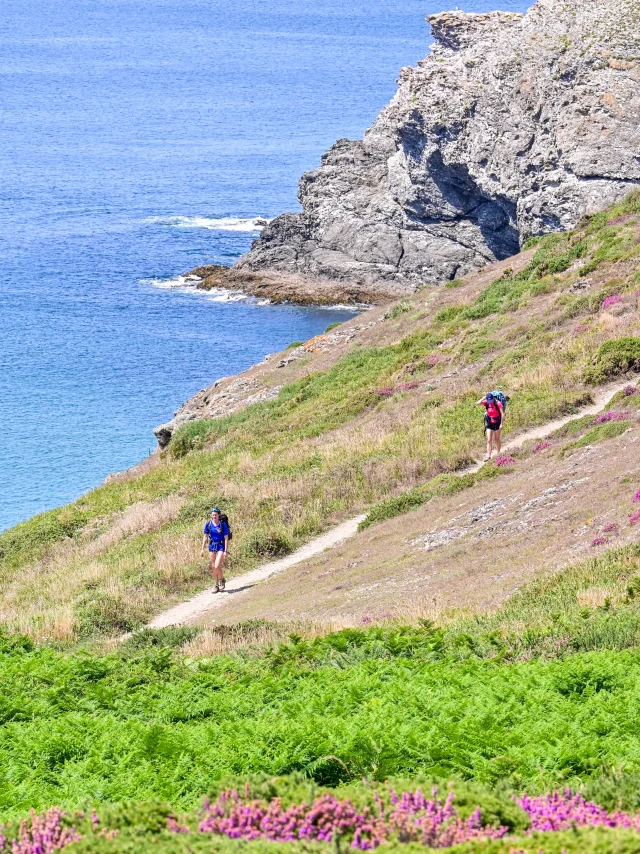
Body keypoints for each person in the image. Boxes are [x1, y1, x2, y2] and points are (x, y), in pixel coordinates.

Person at [200, 507, 229, 592]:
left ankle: (222, 579)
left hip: (220, 546)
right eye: (213, 515)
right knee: (213, 567)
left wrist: (225, 551)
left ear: (218, 515)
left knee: (217, 565)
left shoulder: (222, 524)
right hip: (212, 546)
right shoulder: (208, 524)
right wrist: (202, 549)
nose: (214, 516)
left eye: (215, 515)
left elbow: (226, 538)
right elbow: (205, 537)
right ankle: (216, 585)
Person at [476, 392, 504, 461]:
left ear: (493, 398)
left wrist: (501, 424)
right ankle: (488, 456)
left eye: (491, 400)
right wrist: (484, 397)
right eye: (489, 401)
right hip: (489, 423)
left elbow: (502, 414)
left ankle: (498, 454)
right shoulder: (487, 402)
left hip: (497, 422)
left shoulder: (498, 403)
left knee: (497, 439)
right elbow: (477, 403)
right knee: (489, 440)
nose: (490, 402)